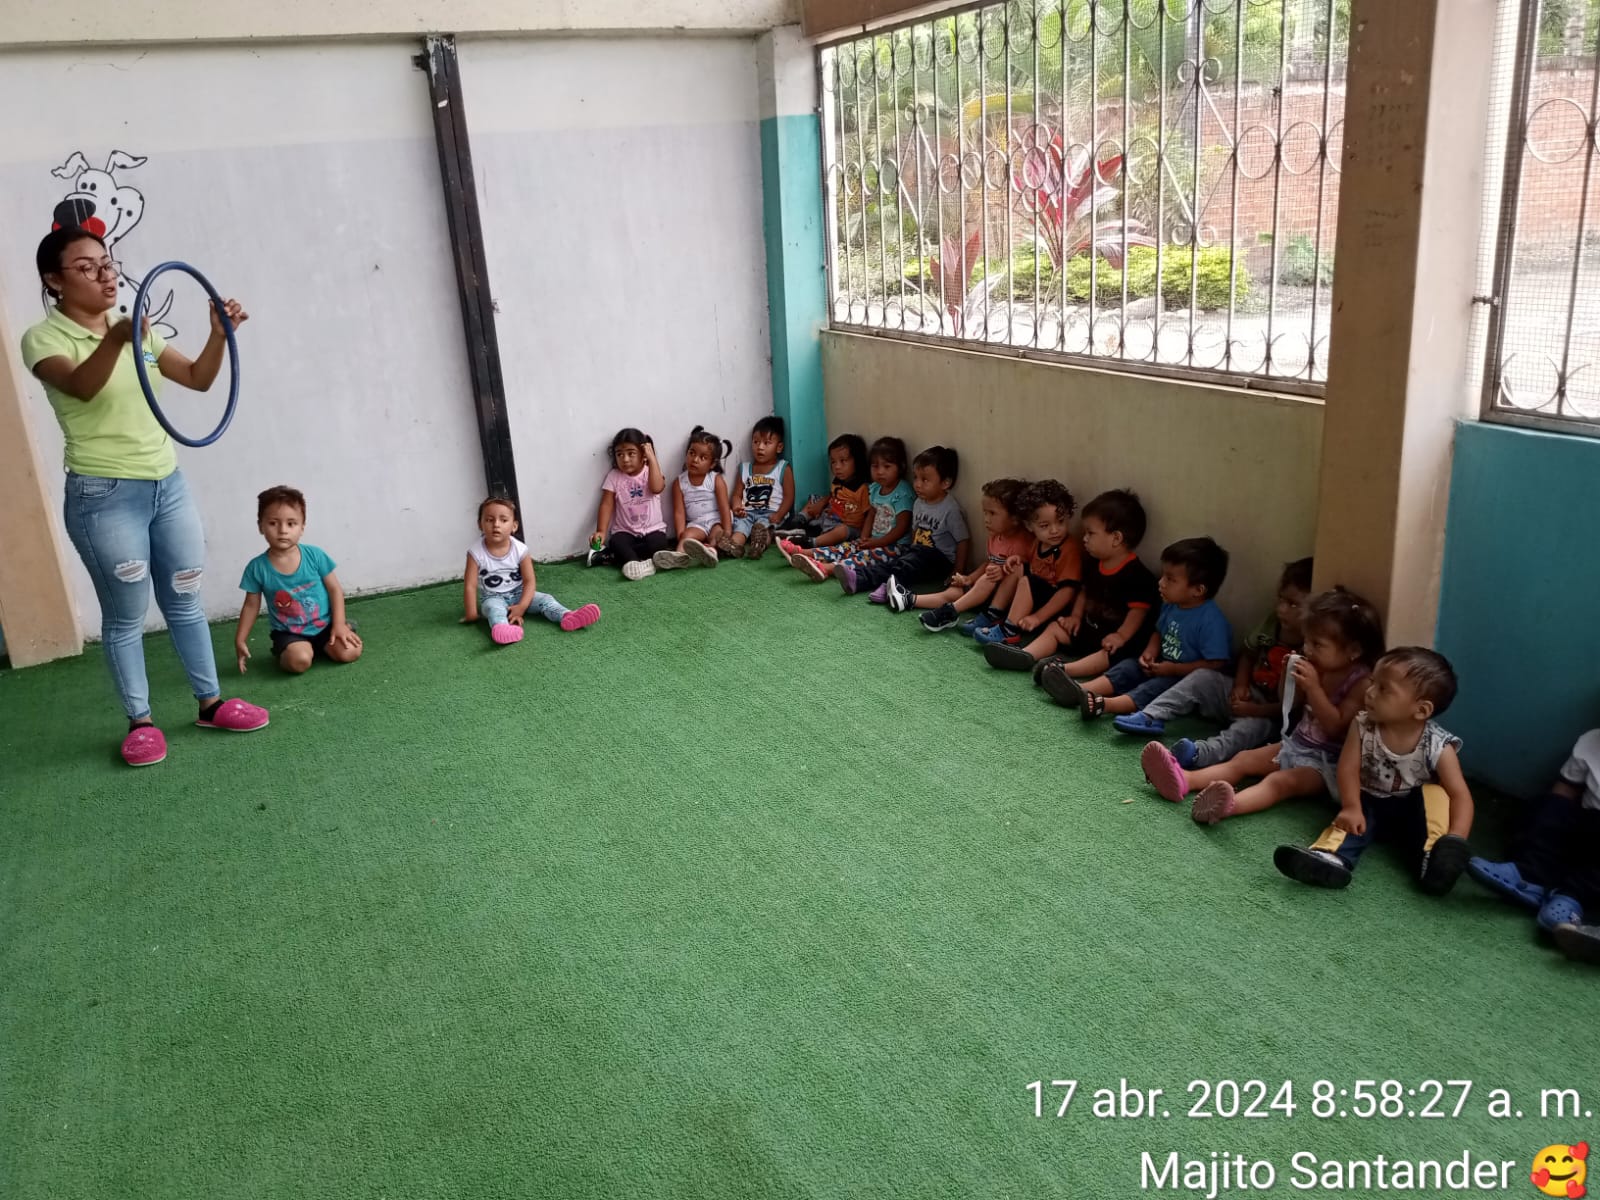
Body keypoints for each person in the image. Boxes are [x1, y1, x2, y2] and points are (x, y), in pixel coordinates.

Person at [21, 226, 268, 767]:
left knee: (184, 597)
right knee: (126, 614)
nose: (105, 274)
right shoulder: (43, 339)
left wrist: (218, 336)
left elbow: (198, 378)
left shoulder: (133, 328)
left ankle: (210, 703)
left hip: (167, 485)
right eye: (86, 267)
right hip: (103, 496)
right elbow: (82, 387)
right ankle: (141, 721)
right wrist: (118, 339)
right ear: (54, 281)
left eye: (107, 263)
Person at [1139, 586, 1385, 825]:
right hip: (1297, 744)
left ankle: (1228, 805)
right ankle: (1186, 779)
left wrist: (1313, 688)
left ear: (1353, 651)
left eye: (1317, 645)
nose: (1307, 649)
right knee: (1244, 759)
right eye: (1307, 641)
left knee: (1280, 782)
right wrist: (1288, 677)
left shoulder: (1362, 683)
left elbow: (1335, 726)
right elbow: (1290, 703)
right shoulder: (1319, 667)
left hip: (1325, 764)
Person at [1274, 647, 1473, 895]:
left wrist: (1456, 838)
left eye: (1383, 689)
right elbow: (1348, 768)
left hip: (1413, 811)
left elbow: (1460, 795)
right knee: (1349, 823)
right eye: (1372, 682)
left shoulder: (1439, 746)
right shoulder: (1362, 726)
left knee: (1436, 795)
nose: (1369, 692)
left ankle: (1437, 860)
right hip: (1369, 802)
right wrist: (1351, 807)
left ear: (1421, 710)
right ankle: (1328, 857)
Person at [1112, 557, 1312, 758]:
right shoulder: (1272, 623)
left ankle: (1199, 753)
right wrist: (1240, 685)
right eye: (1281, 600)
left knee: (1249, 731)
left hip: (1270, 714)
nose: (1282, 609)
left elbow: (1292, 708)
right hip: (1244, 694)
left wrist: (1253, 710)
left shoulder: (1309, 649)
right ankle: (1151, 716)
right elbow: (1248, 654)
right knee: (1202, 677)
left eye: (1293, 604)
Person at [1041, 537, 1231, 722]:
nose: (1161, 582)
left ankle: (1106, 705)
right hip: (1160, 664)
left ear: (1198, 590)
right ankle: (1080, 689)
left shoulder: (1211, 620)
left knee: (1155, 688)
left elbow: (1215, 664)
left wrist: (1174, 669)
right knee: (1128, 667)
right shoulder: (1171, 605)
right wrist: (1150, 652)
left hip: (1183, 679)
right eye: (1163, 576)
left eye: (1170, 579)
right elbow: (1158, 632)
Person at [980, 488, 1154, 672]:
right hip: (1086, 631)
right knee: (1055, 629)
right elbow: (1084, 592)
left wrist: (1121, 636)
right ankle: (1025, 655)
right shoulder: (1095, 564)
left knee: (1109, 654)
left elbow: (1138, 612)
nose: (1084, 539)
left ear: (1116, 538)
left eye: (1090, 533)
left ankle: (1064, 670)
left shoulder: (1137, 575)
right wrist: (1075, 617)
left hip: (1113, 640)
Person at [1468, 725, 1600, 952]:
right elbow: (1564, 792)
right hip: (1585, 828)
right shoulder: (1592, 741)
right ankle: (1530, 876)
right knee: (1550, 807)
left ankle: (1570, 901)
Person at [234, 485, 362, 675]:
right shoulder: (257, 568)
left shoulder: (315, 555)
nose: (282, 530)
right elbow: (251, 605)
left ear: (302, 527)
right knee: (299, 661)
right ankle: (289, 650)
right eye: (273, 523)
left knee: (350, 652)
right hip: (289, 633)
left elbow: (335, 590)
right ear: (261, 526)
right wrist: (240, 639)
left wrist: (338, 624)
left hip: (325, 626)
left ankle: (337, 634)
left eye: (291, 523)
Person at [834, 445, 969, 601]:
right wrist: (911, 550)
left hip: (940, 560)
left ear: (945, 483)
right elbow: (915, 531)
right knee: (895, 563)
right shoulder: (919, 503)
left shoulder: (950, 509)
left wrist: (958, 570)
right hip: (918, 552)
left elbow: (963, 541)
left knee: (906, 566)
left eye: (925, 480)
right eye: (916, 477)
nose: (917, 484)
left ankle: (889, 587)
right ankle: (857, 578)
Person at [465, 496, 600, 644]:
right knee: (494, 609)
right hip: (492, 597)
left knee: (545, 599)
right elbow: (470, 585)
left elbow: (529, 581)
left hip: (520, 593)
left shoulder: (521, 549)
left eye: (503, 520)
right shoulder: (475, 553)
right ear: (480, 524)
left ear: (514, 526)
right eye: (489, 520)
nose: (496, 525)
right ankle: (502, 628)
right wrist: (471, 613)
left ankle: (567, 616)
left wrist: (522, 607)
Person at [972, 479, 1083, 646]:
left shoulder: (1069, 548)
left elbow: (1067, 591)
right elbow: (1034, 565)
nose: (1054, 530)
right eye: (1045, 525)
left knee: (1027, 581)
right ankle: (994, 614)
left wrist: (1038, 617)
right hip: (1035, 600)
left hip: (1054, 610)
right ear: (1030, 527)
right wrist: (1019, 559)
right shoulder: (1038, 542)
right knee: (1017, 567)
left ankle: (1009, 630)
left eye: (1060, 521)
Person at [913, 478, 1033, 631]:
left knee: (987, 578)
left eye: (992, 513)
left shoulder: (1023, 543)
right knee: (956, 589)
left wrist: (1001, 572)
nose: (986, 519)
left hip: (1007, 602)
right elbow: (988, 564)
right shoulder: (995, 537)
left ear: (1015, 518)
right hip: (986, 593)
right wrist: (969, 579)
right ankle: (911, 599)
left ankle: (951, 612)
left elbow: (1024, 572)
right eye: (985, 513)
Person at [793, 437, 914, 582]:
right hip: (874, 540)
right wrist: (863, 538)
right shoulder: (875, 489)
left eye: (887, 467)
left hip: (896, 546)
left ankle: (828, 568)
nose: (880, 472)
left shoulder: (903, 492)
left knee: (865, 557)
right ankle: (807, 553)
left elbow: (902, 527)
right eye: (875, 466)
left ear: (901, 467)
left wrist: (878, 543)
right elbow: (871, 514)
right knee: (847, 547)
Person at [589, 427, 669, 580]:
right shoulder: (614, 476)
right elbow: (606, 505)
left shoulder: (651, 471)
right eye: (619, 454)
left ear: (643, 455)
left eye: (631, 453)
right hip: (625, 531)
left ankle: (636, 561)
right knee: (617, 543)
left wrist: (652, 459)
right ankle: (636, 563)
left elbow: (657, 488)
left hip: (652, 530)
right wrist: (601, 531)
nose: (625, 459)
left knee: (659, 543)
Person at [654, 425, 731, 571]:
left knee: (718, 536)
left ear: (712, 464)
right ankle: (679, 557)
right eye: (692, 453)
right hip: (697, 524)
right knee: (687, 537)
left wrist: (727, 531)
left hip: (715, 521)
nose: (695, 460)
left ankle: (711, 551)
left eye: (703, 457)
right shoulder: (679, 483)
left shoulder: (716, 479)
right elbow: (679, 512)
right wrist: (681, 534)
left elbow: (724, 507)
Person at [777, 433, 870, 554]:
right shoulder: (838, 480)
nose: (837, 467)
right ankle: (798, 521)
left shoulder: (862, 488)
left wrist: (864, 537)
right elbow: (832, 495)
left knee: (842, 530)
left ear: (857, 461)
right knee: (815, 498)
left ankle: (812, 542)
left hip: (846, 526)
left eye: (843, 461)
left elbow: (869, 514)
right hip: (830, 515)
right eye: (833, 462)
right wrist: (821, 503)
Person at [723, 416, 794, 560]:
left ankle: (758, 546)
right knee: (741, 528)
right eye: (756, 442)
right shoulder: (745, 468)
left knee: (763, 529)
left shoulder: (782, 468)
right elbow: (737, 494)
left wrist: (779, 514)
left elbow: (789, 496)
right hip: (747, 512)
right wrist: (737, 507)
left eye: (767, 443)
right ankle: (733, 546)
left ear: (779, 447)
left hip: (770, 513)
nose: (760, 447)